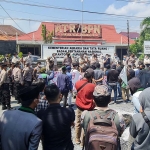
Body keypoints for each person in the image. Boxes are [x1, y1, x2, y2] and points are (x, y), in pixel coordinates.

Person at [0, 85, 42, 150]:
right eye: (39, 97)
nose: (40, 99)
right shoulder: (36, 122)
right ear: (35, 101)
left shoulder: (5, 114)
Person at [37, 84, 75, 150]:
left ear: (45, 97)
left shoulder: (41, 114)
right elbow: (71, 123)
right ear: (60, 96)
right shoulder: (69, 111)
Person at [75, 68, 96, 147]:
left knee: (78, 123)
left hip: (79, 106)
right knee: (86, 124)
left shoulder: (77, 83)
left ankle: (77, 139)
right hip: (89, 107)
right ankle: (82, 143)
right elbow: (96, 92)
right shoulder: (92, 86)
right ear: (91, 77)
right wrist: (94, 83)